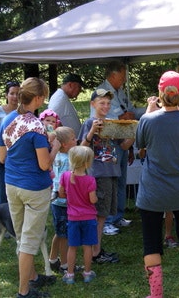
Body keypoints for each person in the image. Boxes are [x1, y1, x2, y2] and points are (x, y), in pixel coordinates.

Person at [136, 71, 179, 297]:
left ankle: (156, 293)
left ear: (160, 93)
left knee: (151, 242)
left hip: (152, 192)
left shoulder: (147, 120)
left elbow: (141, 146)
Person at [0, 77, 61, 298]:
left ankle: (33, 277)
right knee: (29, 241)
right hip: (34, 189)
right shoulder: (36, 127)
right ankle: (24, 292)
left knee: (21, 236)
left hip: (12, 185)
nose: (44, 101)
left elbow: (3, 157)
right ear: (36, 98)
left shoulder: (6, 120)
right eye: (43, 97)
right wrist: (55, 146)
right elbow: (45, 164)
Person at [79, 88, 134, 263]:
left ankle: (96, 249)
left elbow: (123, 146)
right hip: (98, 174)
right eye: (102, 103)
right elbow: (82, 149)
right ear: (92, 104)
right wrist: (92, 131)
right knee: (98, 214)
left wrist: (134, 132)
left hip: (112, 172)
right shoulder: (89, 123)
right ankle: (94, 252)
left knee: (103, 214)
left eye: (108, 103)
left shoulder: (111, 124)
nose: (106, 106)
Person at [92, 61, 135, 236]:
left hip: (122, 141)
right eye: (123, 75)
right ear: (114, 75)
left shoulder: (120, 91)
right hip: (108, 143)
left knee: (120, 179)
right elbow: (109, 117)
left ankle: (118, 215)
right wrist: (123, 117)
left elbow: (129, 112)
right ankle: (107, 220)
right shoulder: (102, 92)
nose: (124, 79)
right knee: (108, 183)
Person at [60, 146, 98, 284]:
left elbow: (61, 193)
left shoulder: (65, 176)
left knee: (72, 246)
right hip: (88, 217)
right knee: (88, 246)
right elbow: (92, 199)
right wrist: (96, 198)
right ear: (87, 163)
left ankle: (70, 275)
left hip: (73, 217)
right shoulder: (90, 180)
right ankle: (87, 273)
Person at [48, 126, 78, 274]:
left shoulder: (58, 156)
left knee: (59, 232)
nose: (76, 140)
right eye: (73, 139)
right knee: (64, 234)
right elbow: (62, 183)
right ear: (65, 144)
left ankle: (53, 259)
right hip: (62, 201)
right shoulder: (67, 160)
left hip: (55, 201)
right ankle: (65, 265)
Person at [0, 81, 19, 204]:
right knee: (3, 191)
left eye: (17, 94)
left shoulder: (22, 112)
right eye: (12, 93)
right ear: (6, 95)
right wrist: (0, 143)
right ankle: (2, 220)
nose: (14, 97)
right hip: (0, 155)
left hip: (17, 155)